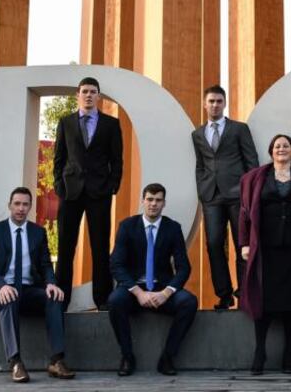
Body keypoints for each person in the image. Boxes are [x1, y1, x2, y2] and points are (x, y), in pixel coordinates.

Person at [239, 134, 291, 375]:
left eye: (286, 145)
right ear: (271, 151)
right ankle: (260, 351)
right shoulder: (254, 177)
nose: (281, 149)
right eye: (277, 146)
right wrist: (244, 243)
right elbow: (244, 214)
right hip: (265, 249)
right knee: (263, 299)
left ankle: (289, 352)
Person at [0, 187, 74, 382]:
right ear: (9, 205)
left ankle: (57, 361)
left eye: (25, 204)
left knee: (54, 297)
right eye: (17, 204)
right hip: (2, 290)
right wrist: (1, 286)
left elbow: (45, 265)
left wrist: (51, 283)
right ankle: (15, 362)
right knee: (9, 297)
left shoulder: (38, 232)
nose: (21, 208)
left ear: (30, 207)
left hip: (28, 290)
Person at [107, 183, 197, 376]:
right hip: (133, 290)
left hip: (161, 288)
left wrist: (167, 292)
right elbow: (116, 264)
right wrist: (138, 292)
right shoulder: (127, 226)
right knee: (114, 301)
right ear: (143, 201)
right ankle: (127, 357)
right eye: (149, 199)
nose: (153, 204)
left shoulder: (173, 228)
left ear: (164, 203)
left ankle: (167, 358)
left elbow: (184, 267)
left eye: (158, 200)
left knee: (189, 302)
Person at [53, 77, 123, 309]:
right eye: (85, 91)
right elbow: (59, 158)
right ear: (78, 95)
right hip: (70, 192)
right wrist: (59, 186)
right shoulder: (65, 122)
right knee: (65, 246)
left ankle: (102, 299)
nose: (89, 95)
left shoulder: (111, 124)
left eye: (93, 92)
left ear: (99, 96)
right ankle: (61, 298)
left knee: (100, 247)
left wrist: (113, 185)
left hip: (99, 192)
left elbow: (117, 159)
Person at [191, 85, 258, 310]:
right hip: (211, 196)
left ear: (225, 103)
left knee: (242, 244)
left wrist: (250, 193)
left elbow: (251, 161)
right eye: (211, 101)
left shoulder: (239, 129)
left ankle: (244, 292)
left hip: (238, 195)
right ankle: (224, 294)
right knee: (213, 244)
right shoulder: (197, 134)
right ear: (204, 104)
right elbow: (200, 165)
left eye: (219, 101)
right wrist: (202, 190)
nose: (215, 105)